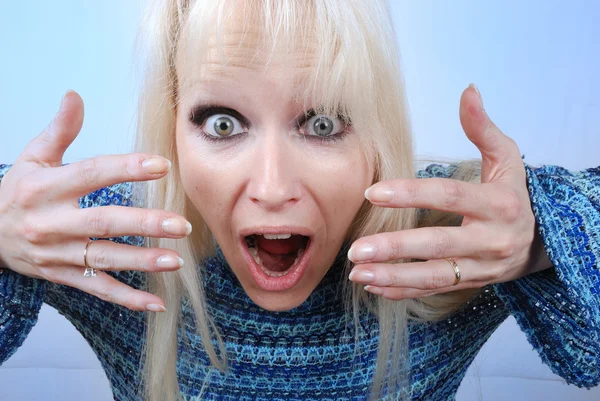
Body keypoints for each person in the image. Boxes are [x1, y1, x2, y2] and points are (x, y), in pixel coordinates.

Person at [0, 0, 598, 400]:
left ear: (376, 131)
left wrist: (548, 238)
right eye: (223, 124)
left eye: (322, 123)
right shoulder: (112, 242)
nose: (273, 186)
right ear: (173, 127)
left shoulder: (455, 235)